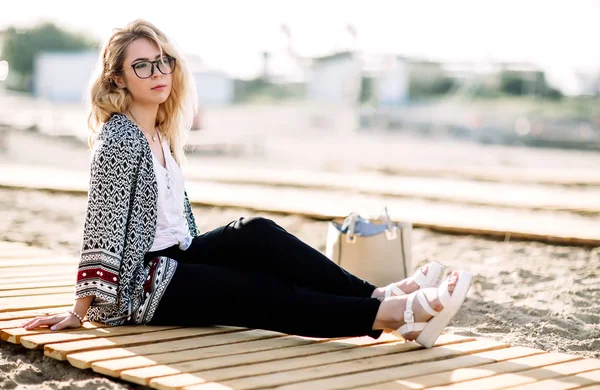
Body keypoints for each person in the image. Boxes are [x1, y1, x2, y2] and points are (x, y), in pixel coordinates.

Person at [20, 19, 472, 348]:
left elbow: (176, 222)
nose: (158, 73)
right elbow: (102, 222)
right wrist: (81, 310)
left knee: (253, 233)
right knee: (255, 291)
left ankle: (377, 293)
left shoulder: (158, 132)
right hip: (138, 284)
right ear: (117, 77)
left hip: (177, 254)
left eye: (164, 62)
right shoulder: (120, 136)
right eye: (142, 66)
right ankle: (392, 314)